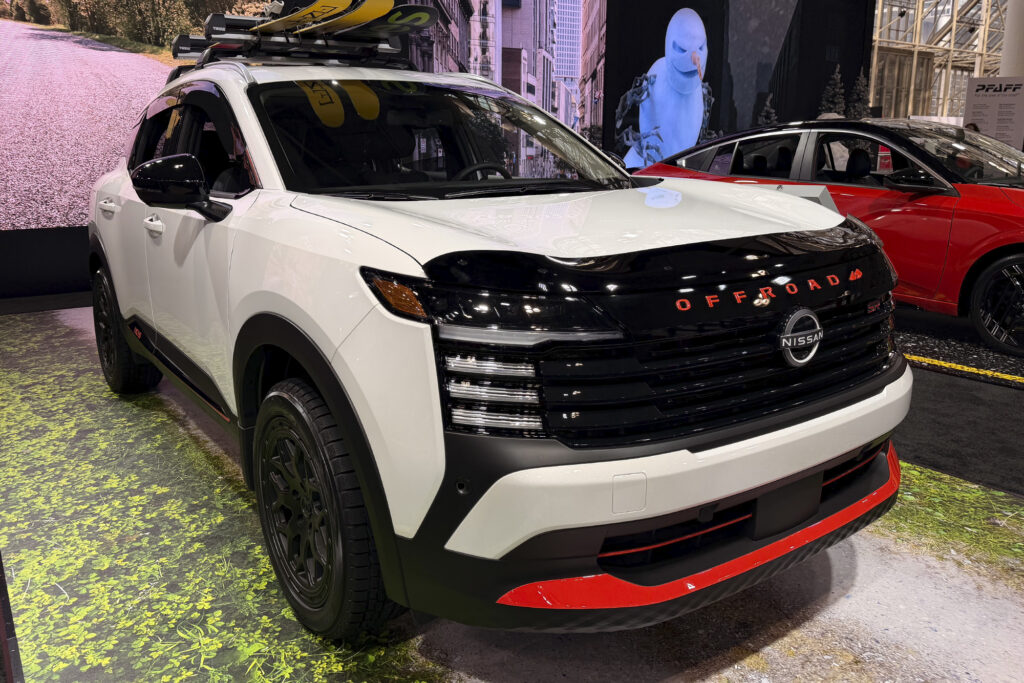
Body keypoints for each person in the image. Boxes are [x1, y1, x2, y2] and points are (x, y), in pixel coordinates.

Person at [623, 8, 708, 167]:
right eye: (682, 49)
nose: (694, 59)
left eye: (701, 48)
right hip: (651, 167)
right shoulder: (657, 73)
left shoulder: (698, 92)